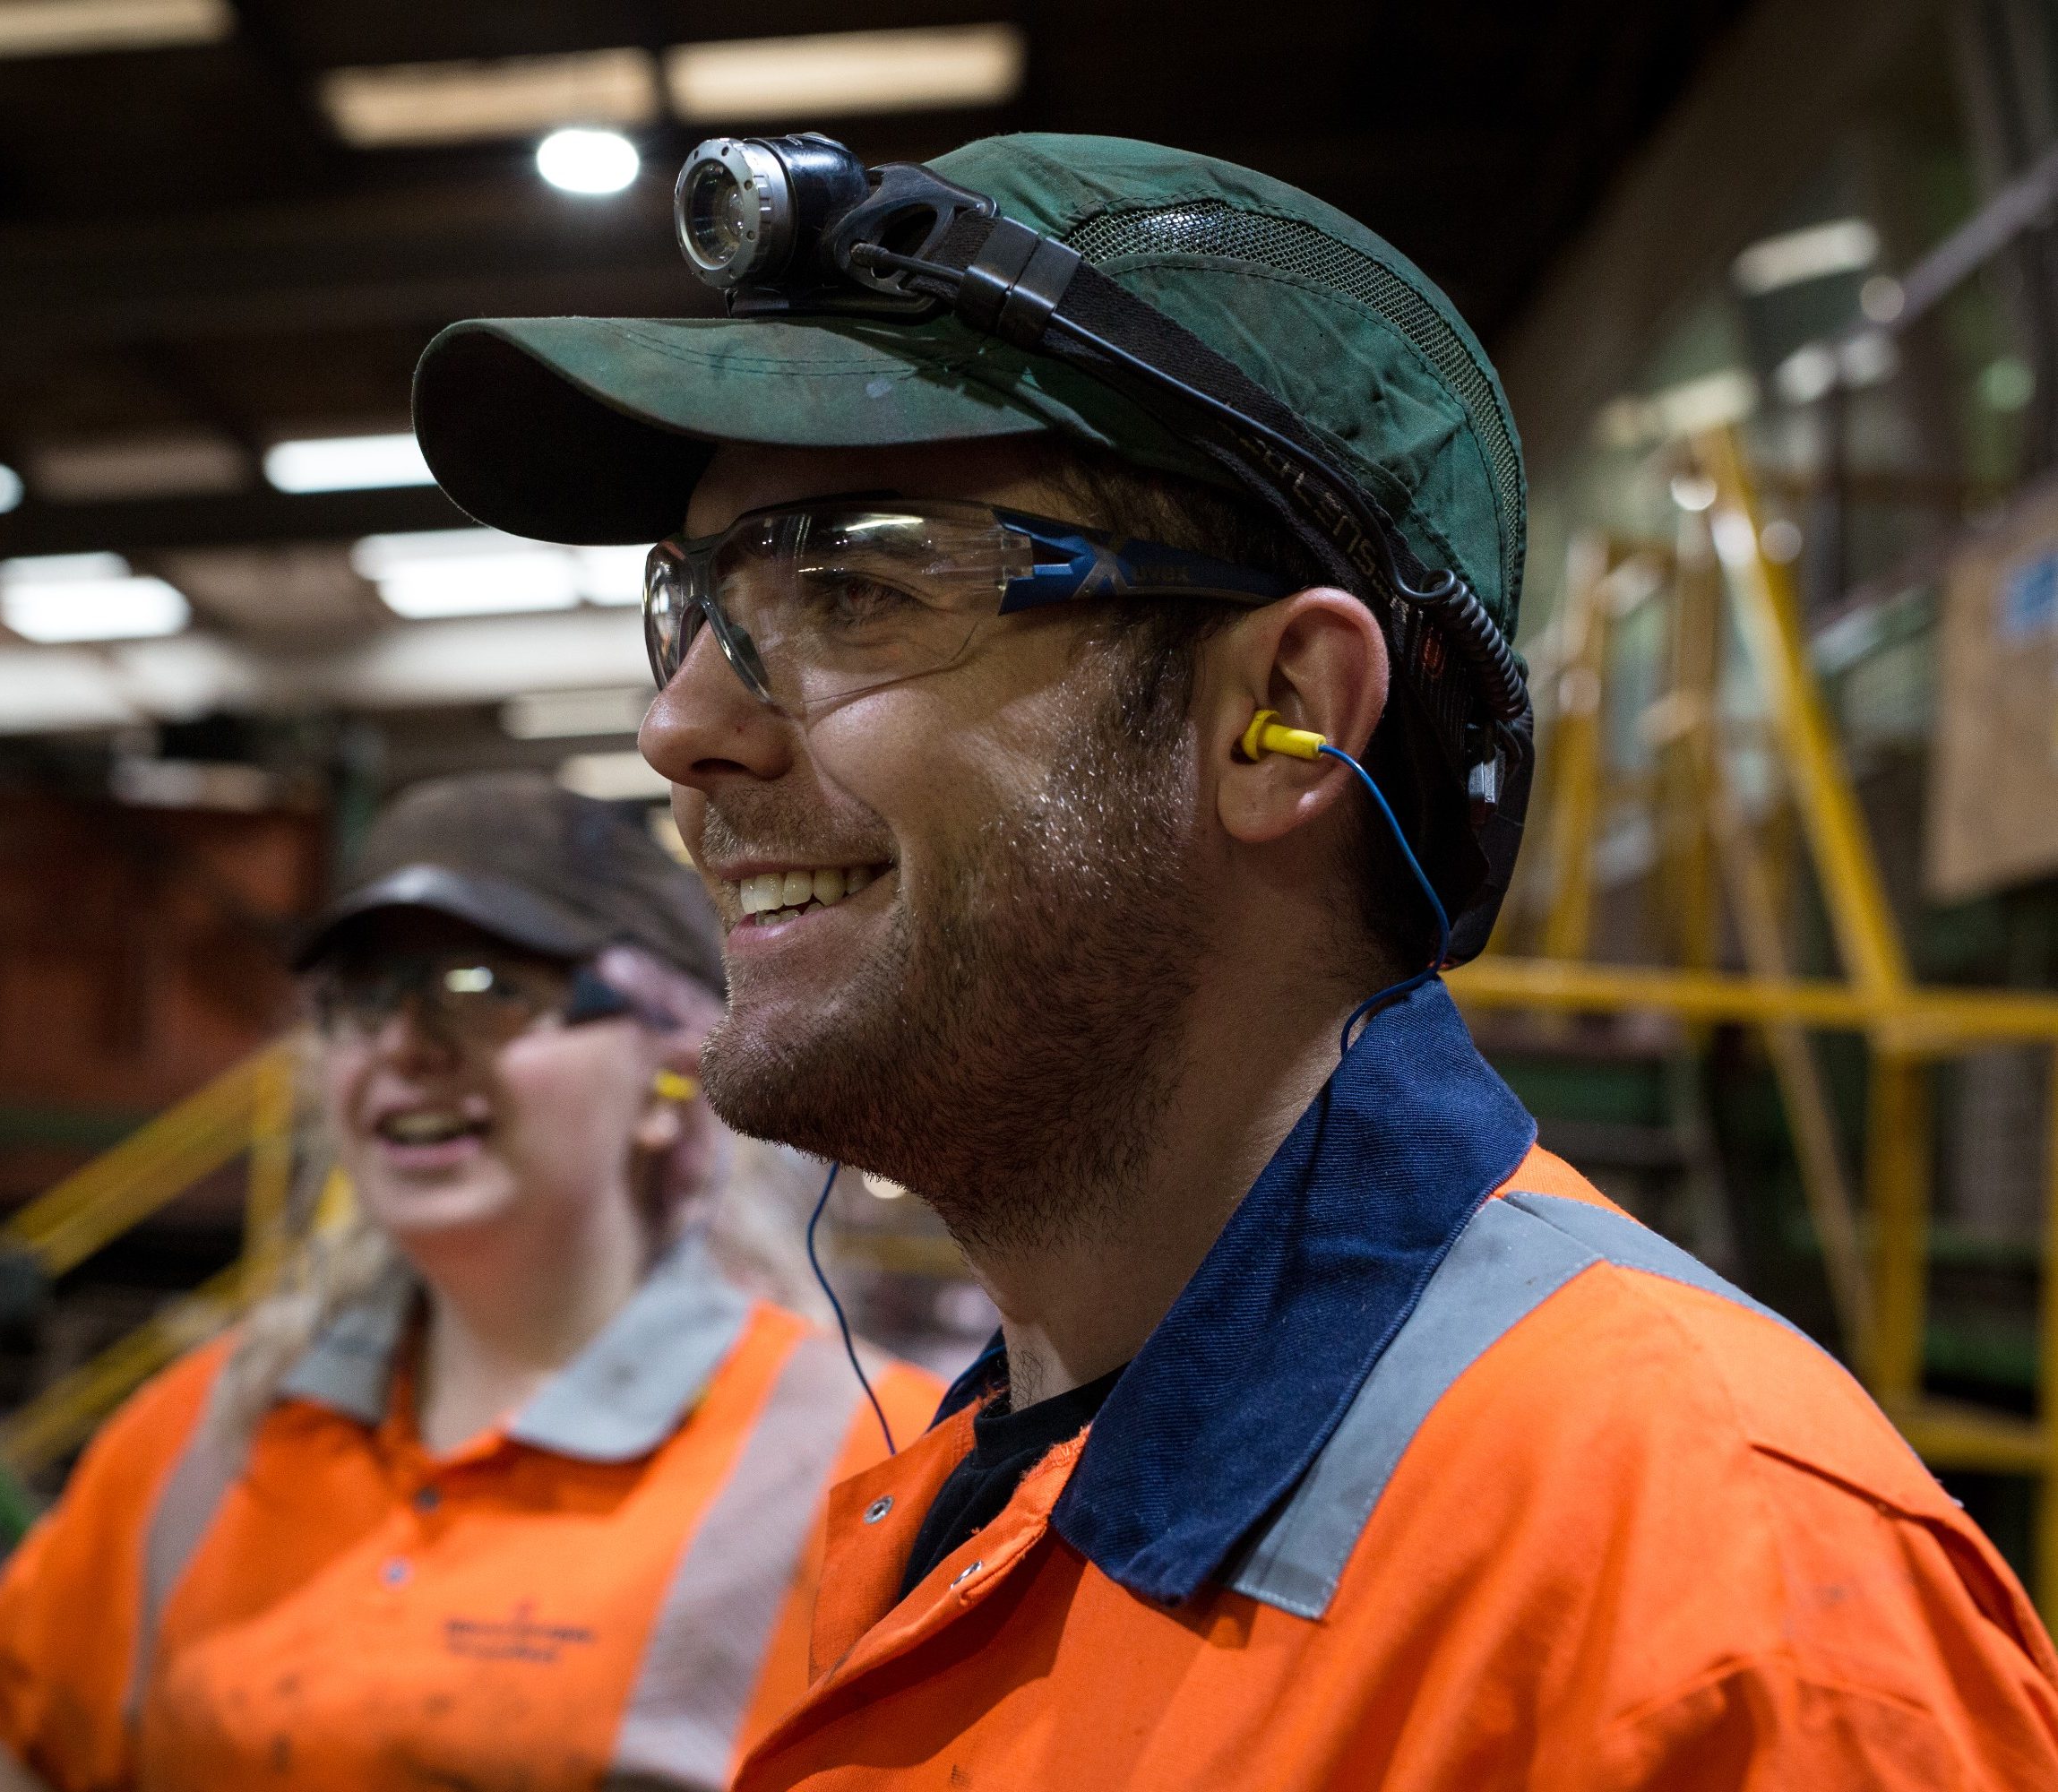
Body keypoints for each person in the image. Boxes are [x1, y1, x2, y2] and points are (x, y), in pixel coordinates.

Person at [408, 134, 2058, 1787]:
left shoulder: (1708, 1611)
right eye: (684, 602)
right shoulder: (978, 1495)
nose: (676, 724)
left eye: (851, 583)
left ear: (1284, 728)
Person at [0, 771, 941, 1792]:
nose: (405, 1045)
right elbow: (0, 1702)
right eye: (359, 1001)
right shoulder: (207, 1433)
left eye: (482, 988)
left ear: (664, 1075)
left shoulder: (867, 1463)